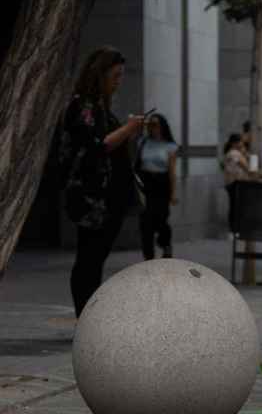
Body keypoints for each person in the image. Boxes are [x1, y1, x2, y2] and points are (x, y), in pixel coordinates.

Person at [61, 47, 145, 317]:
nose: (119, 82)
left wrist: (128, 134)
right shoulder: (84, 106)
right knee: (89, 258)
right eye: (116, 76)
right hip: (93, 197)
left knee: (95, 258)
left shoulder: (101, 108)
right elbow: (96, 147)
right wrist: (128, 129)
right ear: (101, 74)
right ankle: (84, 316)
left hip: (109, 196)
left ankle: (88, 316)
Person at [137, 114, 178, 260]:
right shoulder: (142, 142)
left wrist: (173, 193)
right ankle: (148, 255)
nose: (152, 128)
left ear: (162, 126)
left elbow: (172, 172)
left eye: (155, 125)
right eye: (150, 125)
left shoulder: (170, 146)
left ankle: (165, 244)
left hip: (161, 184)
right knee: (146, 221)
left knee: (161, 219)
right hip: (146, 184)